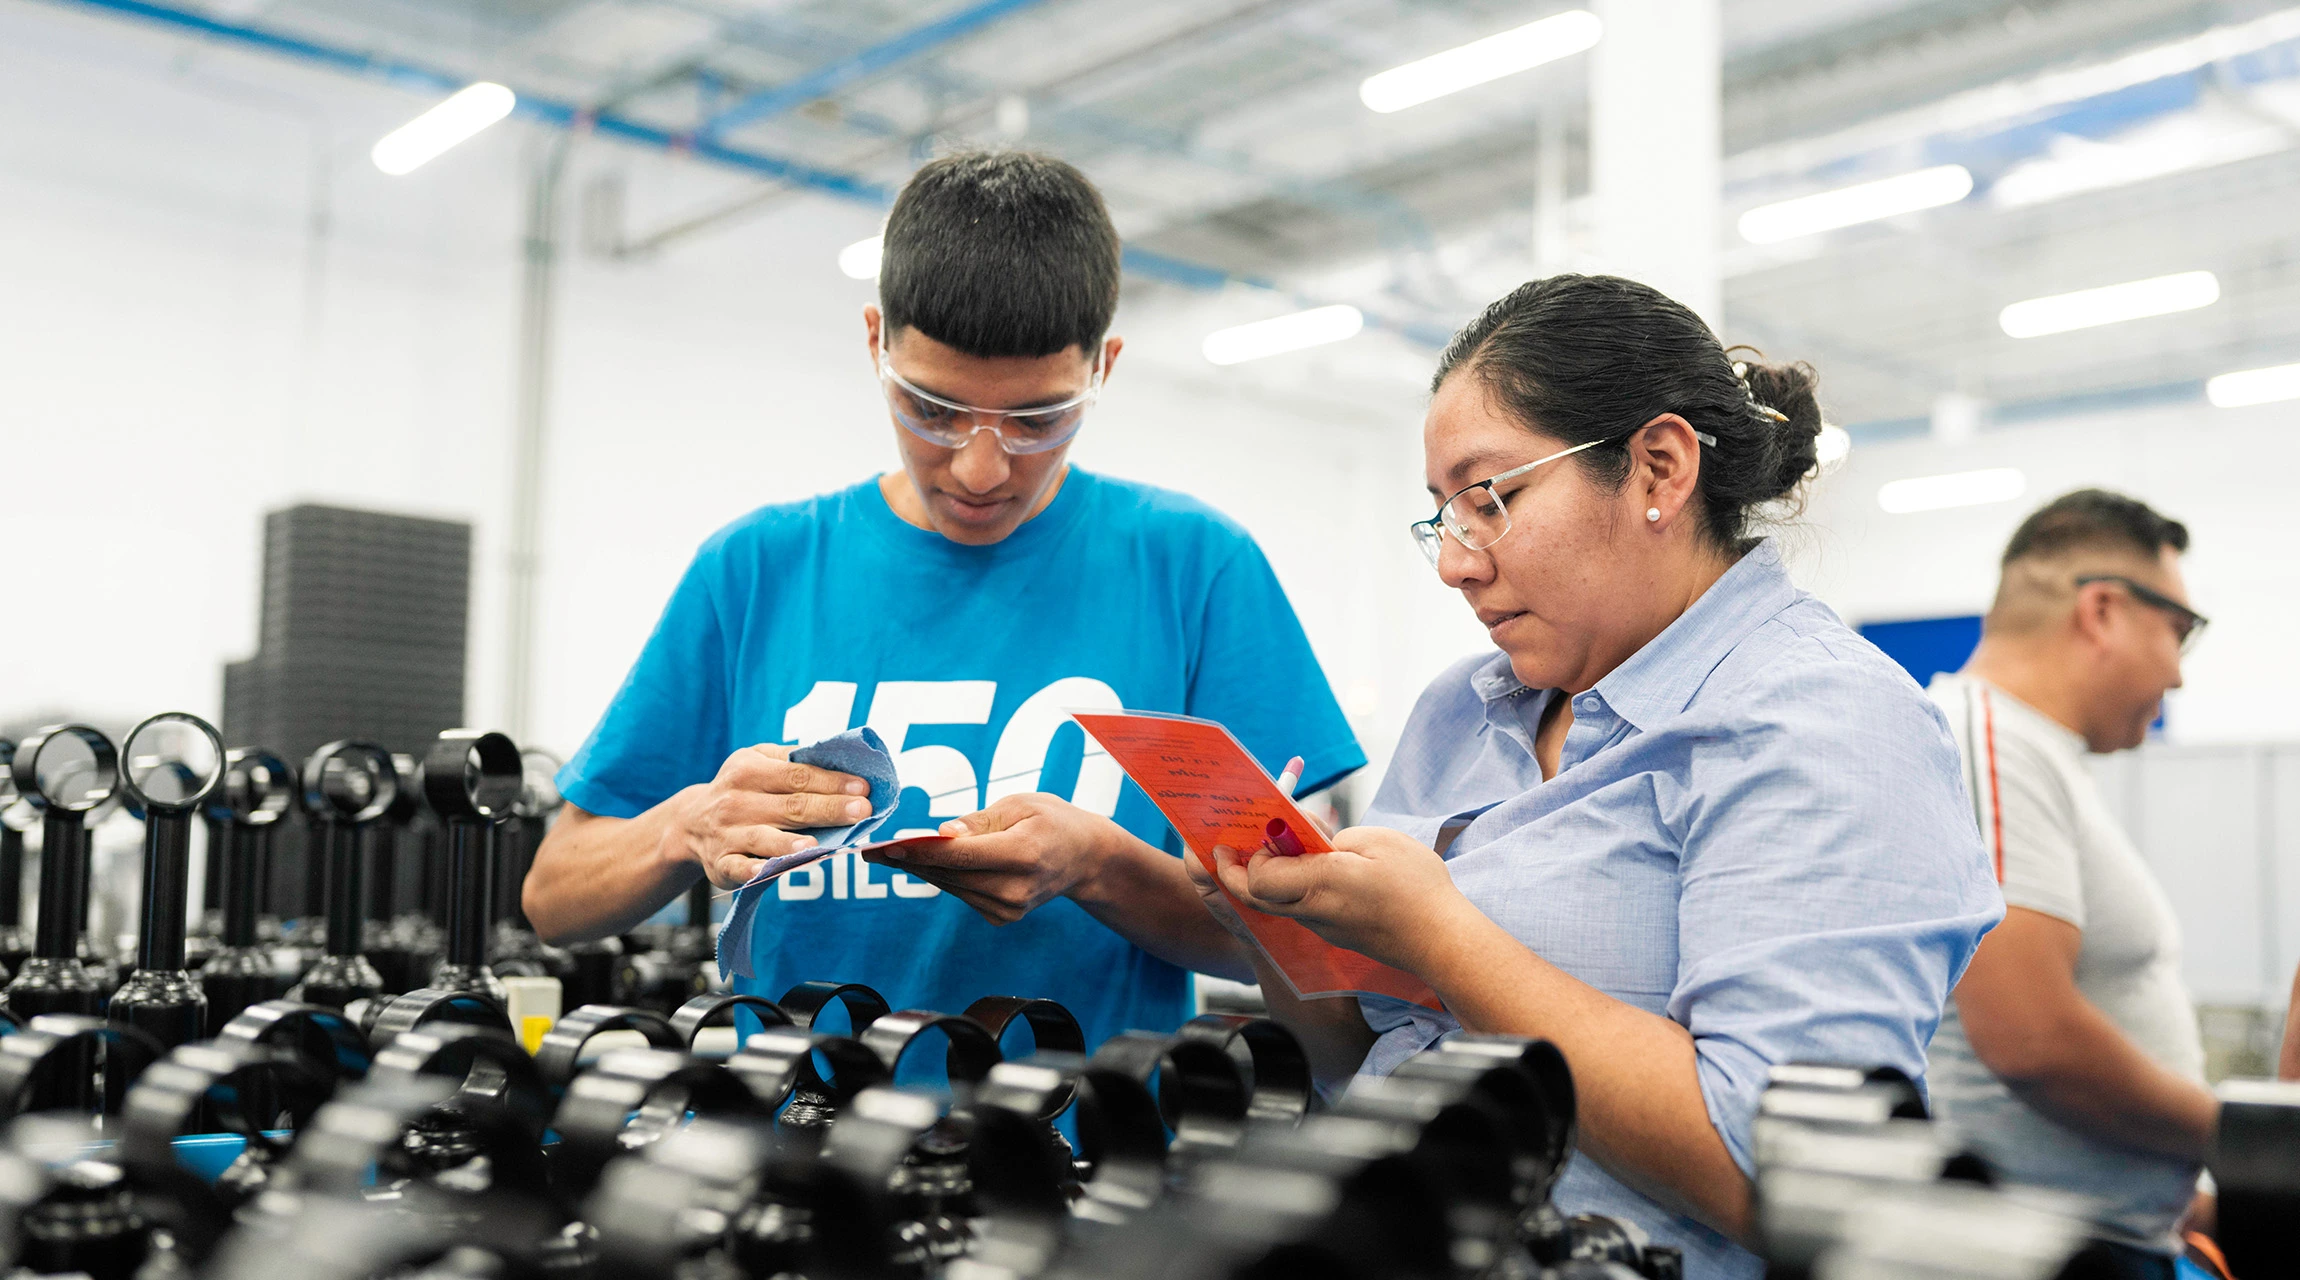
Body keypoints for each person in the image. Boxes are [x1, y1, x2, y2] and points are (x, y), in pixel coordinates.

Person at [885, 274, 2001, 1275]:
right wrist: (1275, 922)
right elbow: (1357, 1054)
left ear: (1657, 467)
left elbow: (1786, 1180)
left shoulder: (1821, 723)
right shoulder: (1465, 709)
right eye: (1442, 512)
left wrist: (1441, 934)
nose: (1456, 560)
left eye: (1491, 497)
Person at [523, 151, 1363, 1051]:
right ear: (876, 341)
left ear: (1104, 366)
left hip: (1080, 1155)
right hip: (795, 1150)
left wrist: (1100, 866)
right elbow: (553, 898)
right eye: (934, 407)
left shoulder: (1195, 571)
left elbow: (1308, 944)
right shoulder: (756, 570)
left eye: (1038, 419)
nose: (980, 468)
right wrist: (681, 829)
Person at [1924, 490, 2216, 1271]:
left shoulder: (2032, 753)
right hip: (2045, 1251)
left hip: (2108, 1238)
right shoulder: (1985, 742)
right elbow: (2031, 1037)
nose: (2178, 678)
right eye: (2178, 633)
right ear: (2102, 611)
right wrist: (2242, 1134)